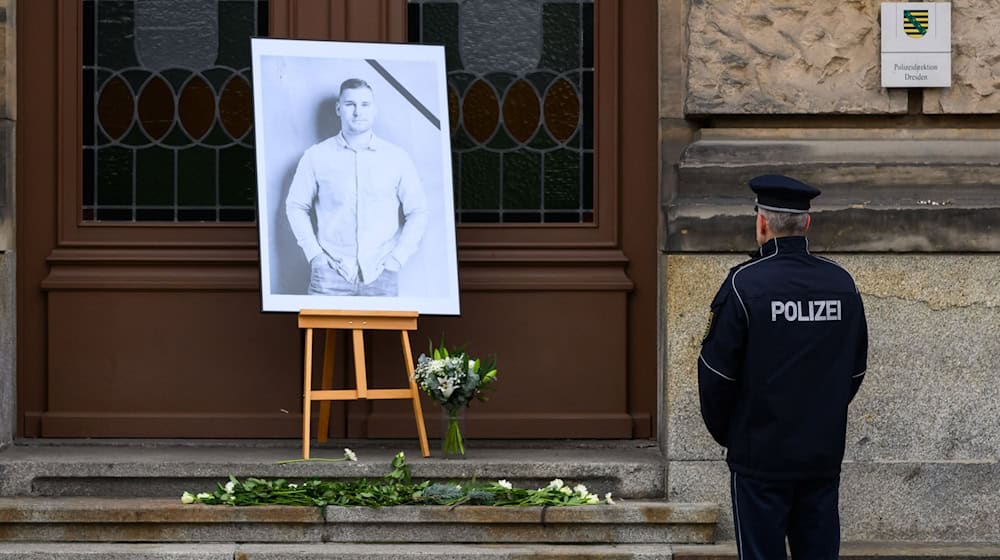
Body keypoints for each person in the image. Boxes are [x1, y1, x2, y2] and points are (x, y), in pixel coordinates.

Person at [697, 175, 868, 560]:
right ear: (806, 223)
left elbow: (715, 374)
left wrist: (734, 435)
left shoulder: (744, 284)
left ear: (761, 223)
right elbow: (855, 371)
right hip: (820, 454)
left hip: (760, 458)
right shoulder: (841, 283)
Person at [286, 78, 428, 297]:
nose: (357, 112)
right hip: (329, 274)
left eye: (365, 105)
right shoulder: (316, 156)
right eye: (350, 104)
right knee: (320, 332)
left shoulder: (397, 158)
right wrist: (315, 256)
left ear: (374, 109)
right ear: (338, 108)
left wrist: (397, 259)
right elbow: (295, 206)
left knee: (384, 333)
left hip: (381, 274)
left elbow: (418, 211)